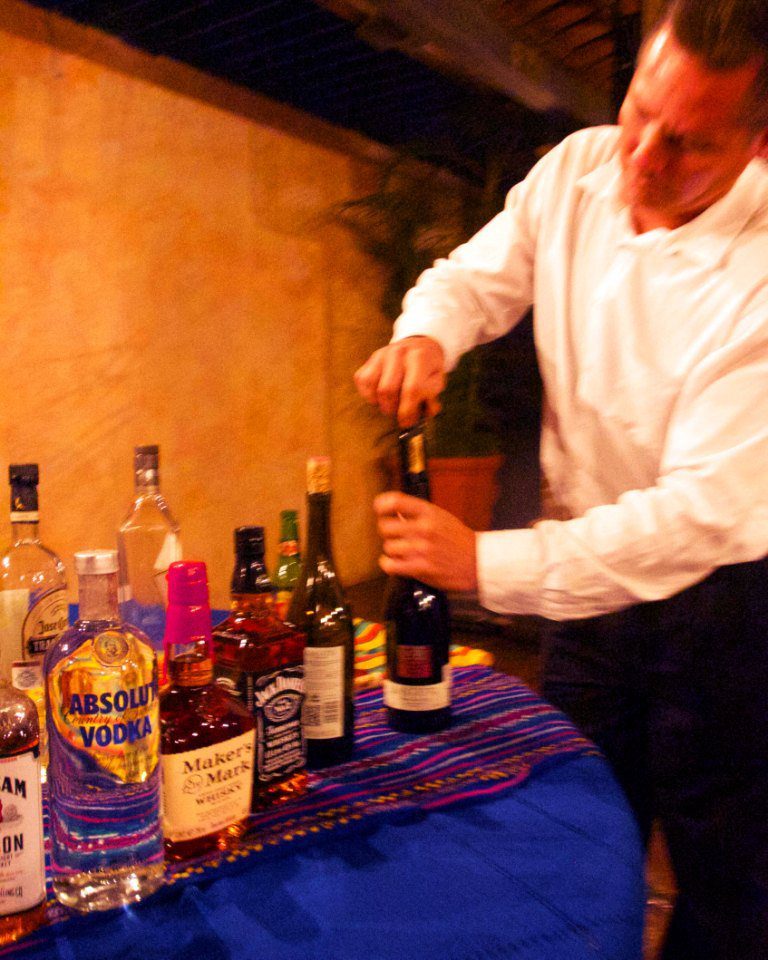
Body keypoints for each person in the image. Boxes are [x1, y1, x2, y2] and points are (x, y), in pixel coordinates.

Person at [354, 0, 768, 956]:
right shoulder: (577, 168)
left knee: (729, 876)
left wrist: (482, 564)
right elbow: (474, 277)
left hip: (723, 606)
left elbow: (694, 518)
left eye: (688, 142)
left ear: (757, 145)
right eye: (640, 111)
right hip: (587, 598)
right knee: (573, 830)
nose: (644, 155)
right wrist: (427, 335)